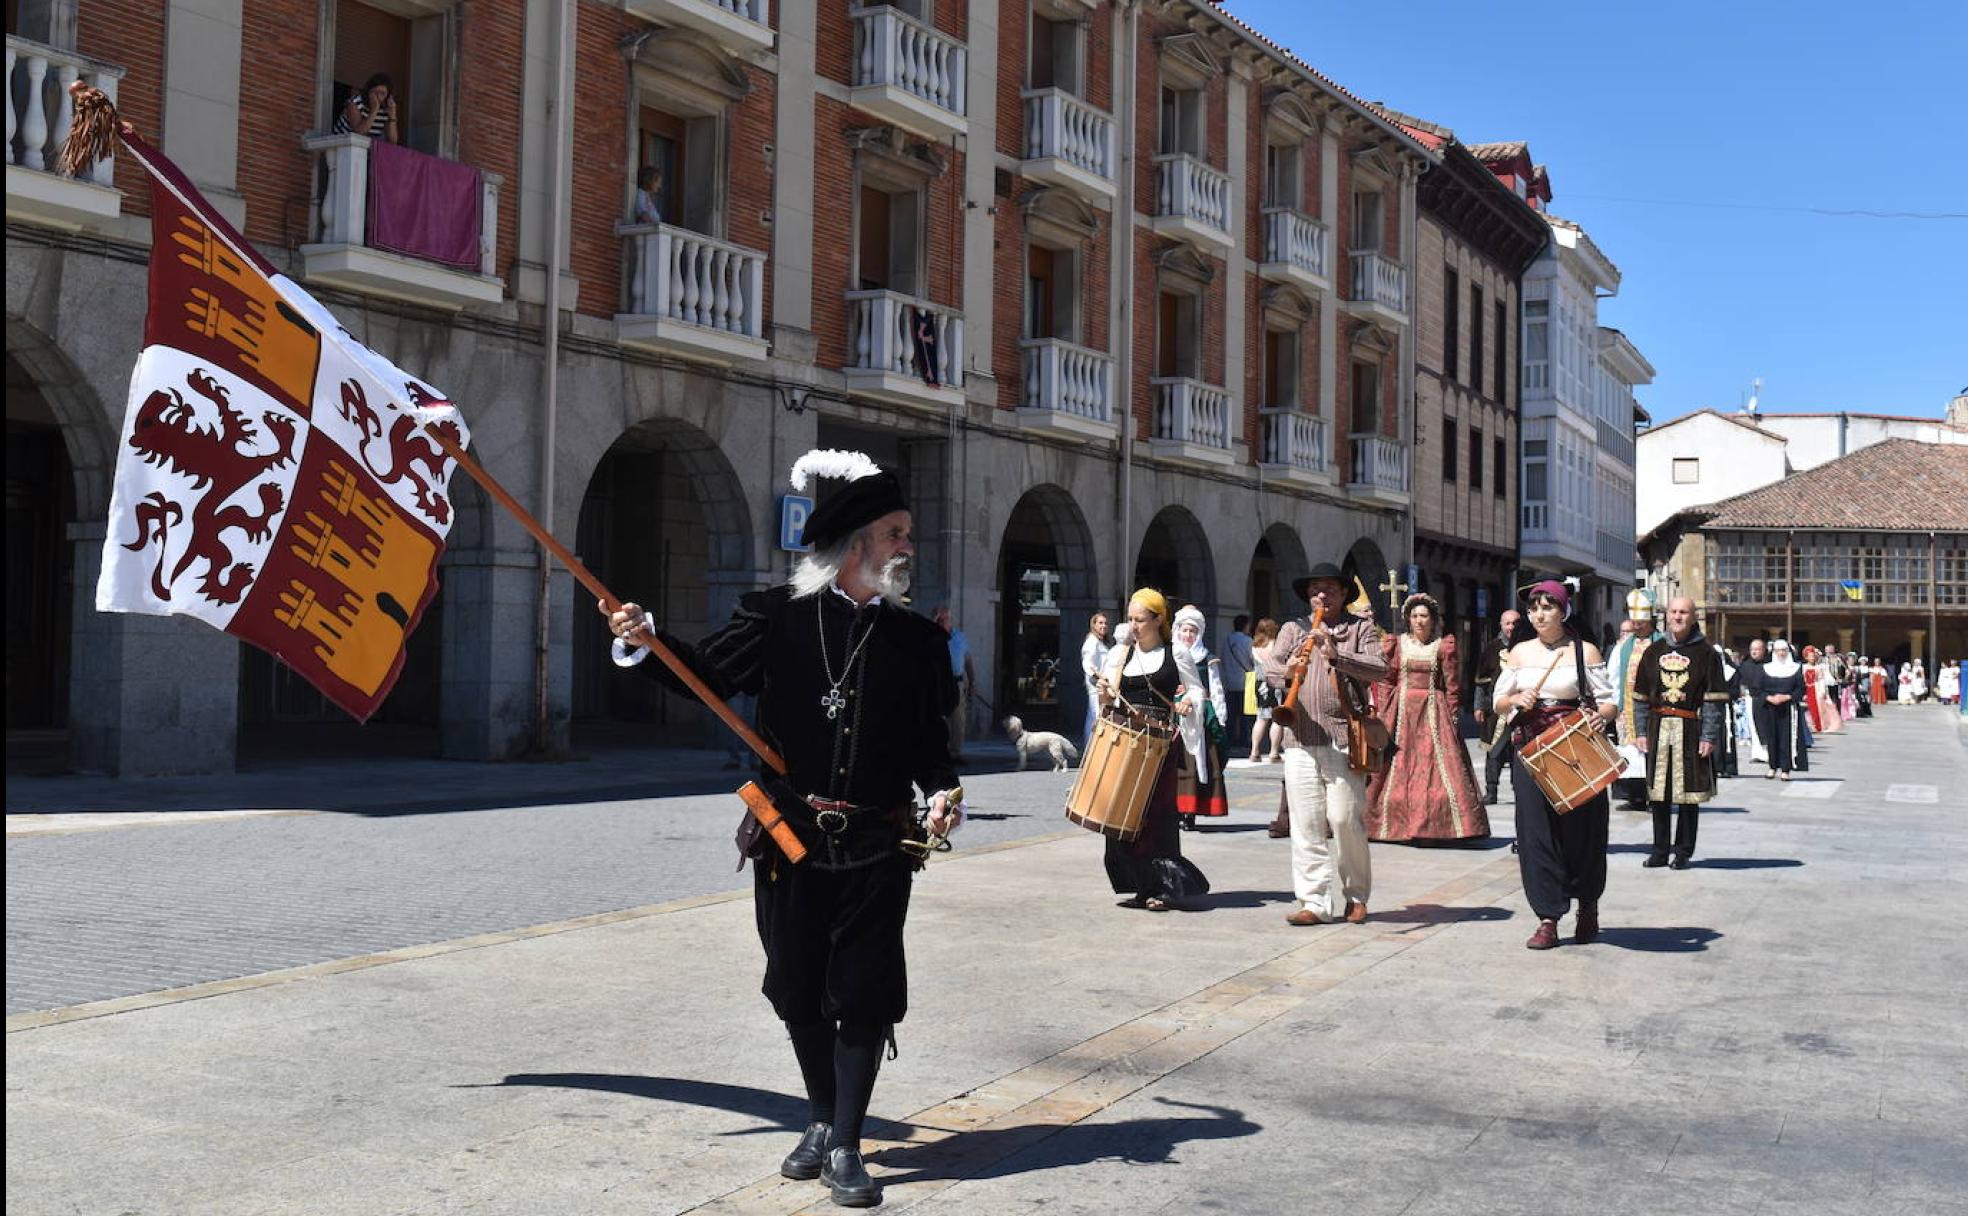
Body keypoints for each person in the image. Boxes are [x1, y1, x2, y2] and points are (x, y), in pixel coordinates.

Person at [601, 448, 961, 1208]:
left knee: (863, 990)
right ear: (855, 544)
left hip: (876, 841)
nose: (907, 547)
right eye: (895, 533)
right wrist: (644, 637)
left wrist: (944, 790)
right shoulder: (777, 617)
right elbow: (703, 675)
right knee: (796, 987)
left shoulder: (919, 643)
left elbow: (932, 742)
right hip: (788, 838)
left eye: (906, 534)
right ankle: (822, 1118)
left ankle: (850, 1143)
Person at [1263, 564, 1388, 927]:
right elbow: (1270, 670)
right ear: (1308, 594)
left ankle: (1356, 895)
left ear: (1344, 594)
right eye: (1316, 589)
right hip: (1299, 737)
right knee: (1306, 823)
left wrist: (1336, 654)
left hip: (1343, 738)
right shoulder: (1293, 629)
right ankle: (1314, 901)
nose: (1322, 596)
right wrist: (1289, 669)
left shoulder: (1359, 628)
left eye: (1330, 589)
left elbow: (1379, 668)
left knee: (1345, 818)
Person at [1494, 580, 1616, 949]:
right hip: (1532, 749)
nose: (1539, 614)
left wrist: (1602, 718)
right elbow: (1500, 701)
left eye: (1548, 607)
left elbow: (1609, 702)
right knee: (1536, 833)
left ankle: (1588, 904)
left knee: (1583, 830)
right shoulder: (1518, 654)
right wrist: (1516, 697)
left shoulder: (1585, 651)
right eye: (1534, 608)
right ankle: (1547, 917)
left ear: (1563, 611)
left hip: (1575, 749)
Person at [1093, 590, 1211, 911]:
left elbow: (1198, 690)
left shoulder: (1178, 654)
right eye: (1130, 619)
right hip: (1125, 742)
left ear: (1159, 620)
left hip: (1160, 743)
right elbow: (1108, 700)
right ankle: (1140, 884)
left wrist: (1188, 701)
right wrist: (1104, 692)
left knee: (1157, 815)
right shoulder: (1121, 654)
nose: (1133, 625)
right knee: (1123, 814)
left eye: (1140, 620)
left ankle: (1161, 887)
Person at [1364, 593, 1490, 844]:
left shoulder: (1444, 646)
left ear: (1433, 620)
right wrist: (1382, 710)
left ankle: (1434, 825)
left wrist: (1453, 715)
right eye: (1414, 616)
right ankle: (1391, 825)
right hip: (1401, 711)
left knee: (1434, 768)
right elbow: (1388, 680)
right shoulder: (1397, 644)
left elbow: (1452, 685)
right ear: (1408, 620)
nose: (1419, 621)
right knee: (1395, 764)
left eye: (1423, 616)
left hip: (1433, 709)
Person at [1633, 597, 1727, 870]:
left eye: (1684, 612)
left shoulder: (1707, 653)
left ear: (1693, 616)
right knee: (1658, 794)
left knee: (1688, 796)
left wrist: (1708, 736)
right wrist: (1640, 731)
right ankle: (1659, 851)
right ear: (1667, 615)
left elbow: (1713, 700)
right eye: (1674, 611)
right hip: (1657, 727)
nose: (1678, 616)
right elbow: (1640, 697)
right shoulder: (1653, 651)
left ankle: (1683, 851)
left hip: (1690, 728)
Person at [1171, 606, 1231, 830]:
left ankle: (1190, 812)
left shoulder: (1207, 658)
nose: (1188, 635)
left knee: (1197, 765)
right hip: (1174, 715)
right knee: (1175, 765)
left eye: (1192, 632)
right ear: (1177, 631)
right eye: (1185, 630)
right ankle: (1174, 810)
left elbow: (1216, 690)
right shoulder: (1169, 655)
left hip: (1201, 718)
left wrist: (1220, 719)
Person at [1607, 594, 1659, 813]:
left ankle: (1655, 796)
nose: (1637, 627)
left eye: (1641, 623)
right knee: (1630, 751)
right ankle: (1634, 796)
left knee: (1653, 751)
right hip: (1627, 708)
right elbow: (1613, 676)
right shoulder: (1624, 647)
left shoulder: (1661, 643)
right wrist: (1616, 704)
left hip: (1654, 708)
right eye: (1634, 623)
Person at [1472, 609, 1522, 805]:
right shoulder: (1491, 648)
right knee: (1494, 752)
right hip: (1495, 711)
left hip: (1521, 710)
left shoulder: (1529, 646)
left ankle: (1520, 791)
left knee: (1519, 753)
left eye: (1514, 623)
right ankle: (1491, 791)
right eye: (1507, 623)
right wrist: (1478, 707)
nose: (1511, 628)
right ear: (1501, 625)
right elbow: (1481, 682)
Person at [1755, 640, 1809, 779]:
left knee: (1787, 738)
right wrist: (1769, 698)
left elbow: (1801, 689)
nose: (1781, 653)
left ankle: (1785, 769)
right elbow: (1758, 689)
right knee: (1771, 737)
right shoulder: (1765, 668)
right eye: (1778, 650)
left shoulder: (1796, 668)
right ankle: (1772, 766)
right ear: (1773, 652)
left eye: (1784, 650)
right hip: (1769, 708)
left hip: (1788, 708)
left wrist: (1787, 697)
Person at [933, 605, 976, 762]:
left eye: (947, 618)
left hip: (956, 682)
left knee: (958, 719)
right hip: (937, 683)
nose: (944, 621)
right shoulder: (931, 636)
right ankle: (939, 753)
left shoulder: (960, 637)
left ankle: (955, 753)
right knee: (938, 719)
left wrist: (972, 682)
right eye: (941, 618)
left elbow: (968, 661)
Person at [1247, 618, 1283, 764]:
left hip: (1259, 683)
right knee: (1277, 718)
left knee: (1260, 718)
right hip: (1275, 683)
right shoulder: (1276, 644)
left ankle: (1254, 751)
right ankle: (1274, 752)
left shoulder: (1254, 646)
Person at [1222, 614, 1255, 757]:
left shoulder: (1228, 640)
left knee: (1231, 713)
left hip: (1229, 680)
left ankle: (1230, 739)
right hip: (1245, 680)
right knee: (1245, 713)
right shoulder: (1248, 641)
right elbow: (1252, 659)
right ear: (1245, 625)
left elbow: (1222, 658)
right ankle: (1243, 739)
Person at [1079, 611, 1113, 747]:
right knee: (1095, 714)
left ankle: (1094, 746)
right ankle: (1090, 747)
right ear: (1093, 625)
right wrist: (1100, 677)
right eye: (1100, 623)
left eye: (1105, 623)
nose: (1103, 626)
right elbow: (1088, 665)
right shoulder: (1091, 642)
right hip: (1096, 685)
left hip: (1103, 685)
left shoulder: (1100, 642)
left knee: (1098, 715)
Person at [335, 73, 401, 143]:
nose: (378, 97)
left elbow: (392, 141)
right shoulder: (355, 103)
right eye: (375, 92)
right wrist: (374, 110)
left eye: (382, 93)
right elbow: (359, 133)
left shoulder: (385, 109)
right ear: (368, 92)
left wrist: (392, 115)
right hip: (342, 145)